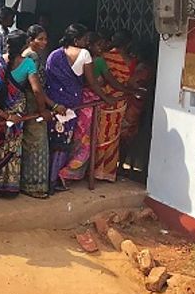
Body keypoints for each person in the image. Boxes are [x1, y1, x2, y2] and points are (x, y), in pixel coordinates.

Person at [0, 31, 52, 197]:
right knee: (13, 149)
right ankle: (9, 186)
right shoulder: (28, 63)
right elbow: (37, 90)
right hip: (16, 110)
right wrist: (43, 110)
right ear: (24, 45)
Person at [57, 32, 124, 186]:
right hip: (90, 104)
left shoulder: (72, 58)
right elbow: (109, 82)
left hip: (78, 100)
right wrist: (112, 96)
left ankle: (66, 171)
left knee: (77, 138)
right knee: (86, 140)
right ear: (90, 46)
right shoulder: (98, 61)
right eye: (98, 45)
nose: (102, 47)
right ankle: (68, 173)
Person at [95, 31, 135, 182]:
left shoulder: (105, 56)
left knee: (100, 134)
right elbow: (121, 82)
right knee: (112, 136)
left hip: (107, 99)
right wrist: (130, 91)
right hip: (117, 101)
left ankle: (96, 170)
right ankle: (107, 171)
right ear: (128, 44)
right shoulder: (129, 61)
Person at [20, 24, 52, 198]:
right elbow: (36, 88)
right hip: (33, 104)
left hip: (28, 103)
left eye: (45, 39)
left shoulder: (27, 55)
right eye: (40, 39)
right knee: (37, 144)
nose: (44, 42)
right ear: (31, 40)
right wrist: (45, 108)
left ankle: (27, 182)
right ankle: (35, 186)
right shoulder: (32, 57)